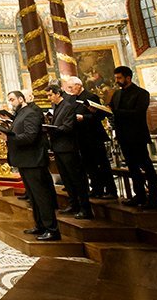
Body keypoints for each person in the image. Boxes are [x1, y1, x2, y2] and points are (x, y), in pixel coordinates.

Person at [5, 90, 59, 241]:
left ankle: (52, 229)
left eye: (12, 99)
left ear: (21, 99)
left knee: (41, 196)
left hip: (33, 160)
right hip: (25, 160)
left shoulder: (30, 113)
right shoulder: (20, 114)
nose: (11, 103)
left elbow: (30, 136)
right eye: (9, 100)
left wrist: (9, 137)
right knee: (33, 197)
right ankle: (40, 225)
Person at [112, 66, 157, 209]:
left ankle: (154, 199)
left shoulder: (142, 93)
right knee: (132, 168)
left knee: (147, 167)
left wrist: (117, 112)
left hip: (137, 135)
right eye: (116, 78)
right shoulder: (117, 94)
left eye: (119, 78)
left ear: (128, 78)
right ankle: (139, 195)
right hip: (123, 135)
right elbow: (112, 110)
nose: (117, 81)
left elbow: (138, 113)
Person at [47, 85, 92, 219]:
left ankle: (85, 209)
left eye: (50, 95)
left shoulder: (67, 106)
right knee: (66, 179)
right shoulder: (57, 107)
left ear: (57, 94)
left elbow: (68, 127)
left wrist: (51, 129)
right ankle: (74, 204)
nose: (49, 98)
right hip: (58, 148)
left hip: (68, 148)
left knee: (76, 179)